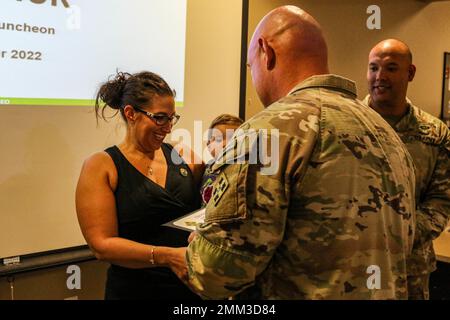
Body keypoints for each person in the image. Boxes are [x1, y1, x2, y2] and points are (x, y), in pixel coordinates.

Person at [179, 5, 417, 300]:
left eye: (251, 66)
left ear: (266, 53)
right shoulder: (387, 133)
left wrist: (195, 249)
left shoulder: (265, 132)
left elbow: (216, 273)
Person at [75, 71, 203, 300]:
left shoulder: (183, 155)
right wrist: (167, 256)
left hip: (189, 291)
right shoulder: (101, 166)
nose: (168, 127)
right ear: (131, 113)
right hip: (133, 291)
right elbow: (101, 245)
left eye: (172, 118)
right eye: (160, 117)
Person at [363, 39, 450, 300]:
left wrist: (402, 235)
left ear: (410, 73)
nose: (380, 77)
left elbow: (441, 200)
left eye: (390, 68)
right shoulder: (347, 125)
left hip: (409, 268)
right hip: (352, 265)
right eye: (373, 68)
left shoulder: (434, 134)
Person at [200, 114, 244, 206]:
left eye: (233, 139)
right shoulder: (205, 168)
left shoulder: (242, 168)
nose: (225, 144)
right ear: (208, 145)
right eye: (219, 139)